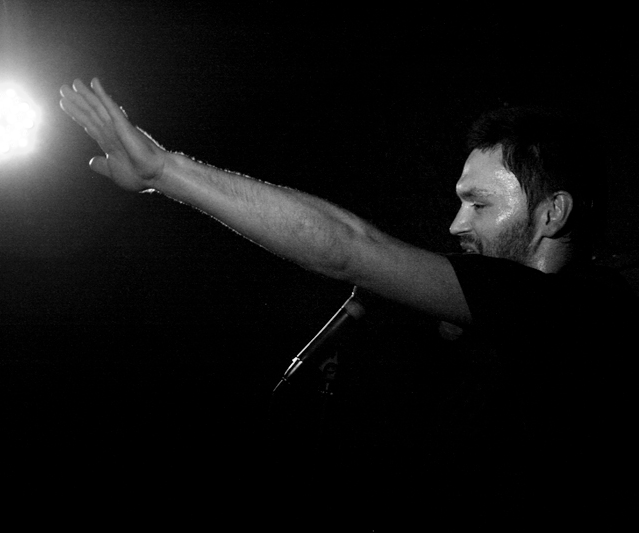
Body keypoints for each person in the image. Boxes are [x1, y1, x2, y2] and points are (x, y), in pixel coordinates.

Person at [59, 78, 636, 503]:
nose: (456, 224)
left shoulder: (587, 310)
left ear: (552, 213)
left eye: (479, 204)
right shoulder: (484, 336)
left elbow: (345, 246)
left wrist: (165, 172)